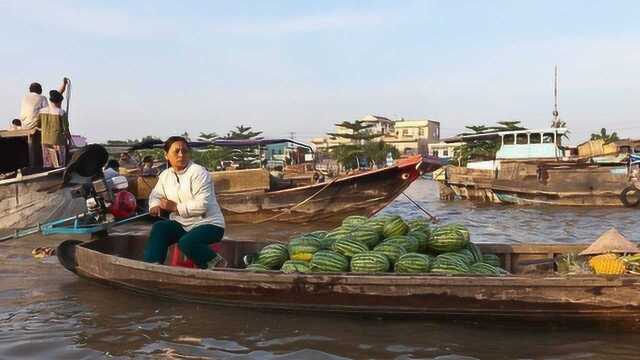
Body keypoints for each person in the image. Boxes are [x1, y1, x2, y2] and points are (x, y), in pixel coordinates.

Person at [143, 136, 227, 269]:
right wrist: (154, 205)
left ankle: (218, 263)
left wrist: (176, 207)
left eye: (185, 151)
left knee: (187, 242)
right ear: (166, 155)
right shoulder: (165, 175)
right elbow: (156, 194)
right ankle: (152, 267)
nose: (181, 155)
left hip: (209, 224)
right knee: (160, 228)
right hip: (183, 225)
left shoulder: (199, 172)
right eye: (176, 151)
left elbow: (202, 205)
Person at [38, 90, 72, 168]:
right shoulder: (61, 112)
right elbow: (66, 129)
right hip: (58, 140)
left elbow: (38, 124)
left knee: (47, 162)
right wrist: (70, 140)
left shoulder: (42, 111)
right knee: (60, 163)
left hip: (45, 139)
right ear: (58, 102)